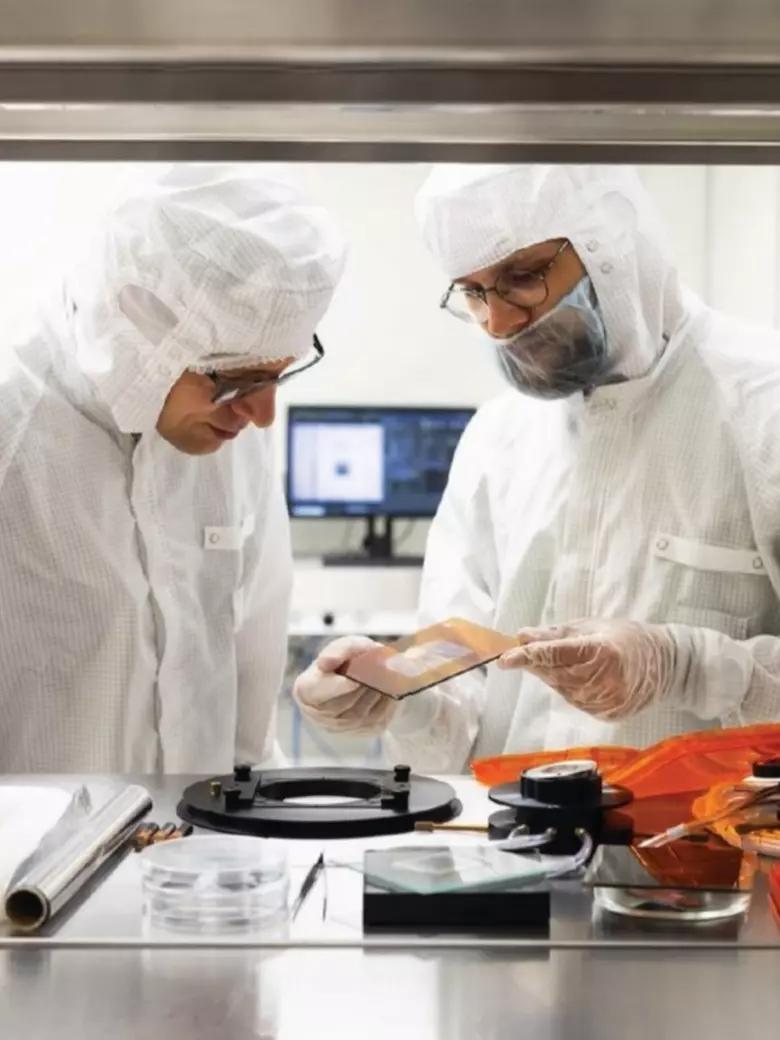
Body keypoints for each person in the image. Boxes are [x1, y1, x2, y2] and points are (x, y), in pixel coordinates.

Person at [293, 163, 780, 773]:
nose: (497, 323)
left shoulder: (763, 404)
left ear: (609, 243)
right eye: (472, 293)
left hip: (708, 858)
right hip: (506, 851)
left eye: (520, 278)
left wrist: (685, 666)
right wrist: (392, 693)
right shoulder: (498, 438)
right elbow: (457, 658)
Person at [0, 165, 346, 773]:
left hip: (208, 853)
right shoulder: (14, 430)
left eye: (277, 376)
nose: (262, 416)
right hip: (30, 861)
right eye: (237, 380)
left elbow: (251, 688)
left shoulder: (228, 434)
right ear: (138, 333)